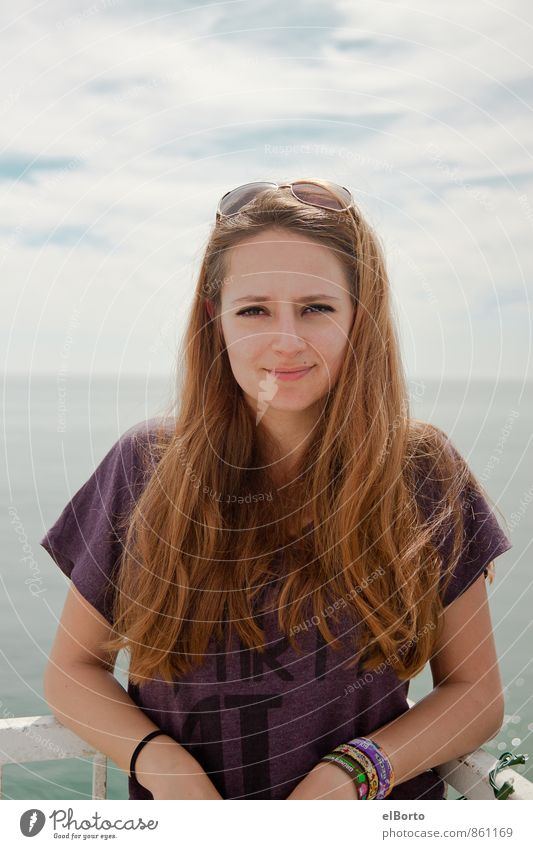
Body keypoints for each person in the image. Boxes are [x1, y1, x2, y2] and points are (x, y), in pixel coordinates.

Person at [40, 179, 513, 800]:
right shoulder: (145, 467)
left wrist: (355, 772)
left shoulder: (423, 472)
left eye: (316, 308)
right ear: (216, 320)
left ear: (358, 318)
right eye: (254, 309)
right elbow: (73, 672)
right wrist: (164, 766)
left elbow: (475, 694)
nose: (286, 339)